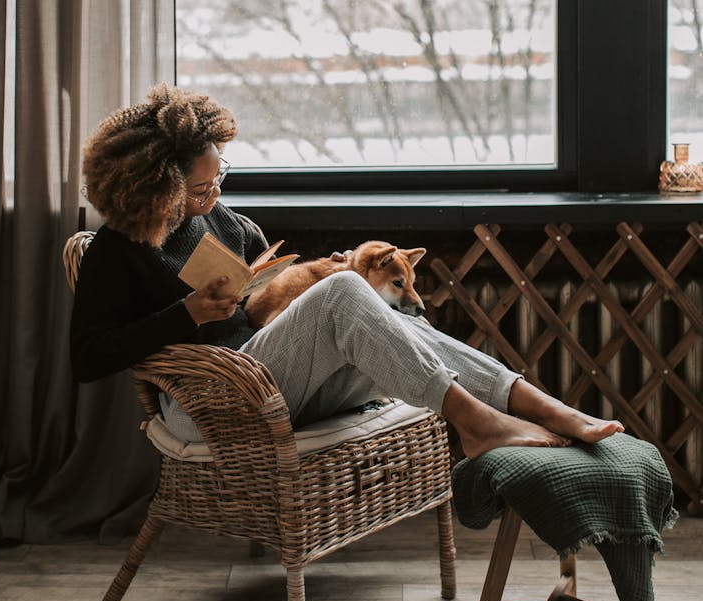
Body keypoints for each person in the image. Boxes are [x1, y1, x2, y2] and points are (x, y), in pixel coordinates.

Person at [71, 83, 625, 458]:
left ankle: (541, 407)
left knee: (390, 314)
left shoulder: (230, 224)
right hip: (208, 405)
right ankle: (479, 422)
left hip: (276, 384)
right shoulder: (116, 250)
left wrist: (313, 277)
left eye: (221, 177)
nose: (214, 193)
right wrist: (183, 314)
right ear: (154, 184)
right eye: (199, 188)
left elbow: (269, 308)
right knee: (346, 293)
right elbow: (87, 359)